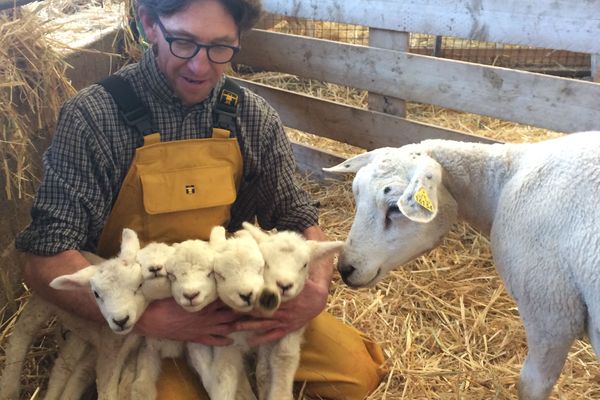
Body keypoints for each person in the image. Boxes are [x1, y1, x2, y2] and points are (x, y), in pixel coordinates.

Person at [16, 0, 385, 398]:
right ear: (149, 25)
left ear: (239, 39)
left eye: (220, 47)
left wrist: (314, 290)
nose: (201, 66)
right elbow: (44, 258)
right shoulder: (94, 118)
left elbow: (298, 218)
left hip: (233, 289)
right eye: (184, 43)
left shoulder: (251, 116)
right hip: (149, 312)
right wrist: (152, 317)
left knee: (355, 372)